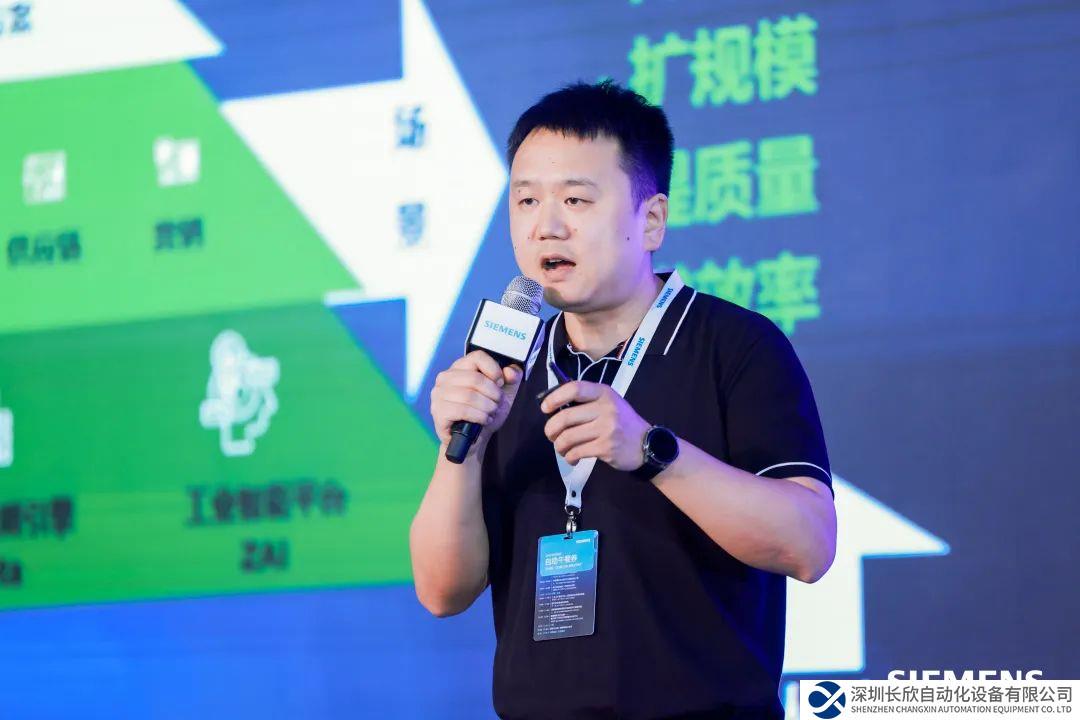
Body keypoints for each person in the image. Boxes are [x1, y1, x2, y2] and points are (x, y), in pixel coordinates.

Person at [410, 80, 837, 720]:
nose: (546, 225)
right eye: (526, 200)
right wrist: (461, 451)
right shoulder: (507, 367)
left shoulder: (734, 345)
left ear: (652, 220)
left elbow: (808, 545)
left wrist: (652, 452)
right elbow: (442, 591)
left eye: (575, 199)